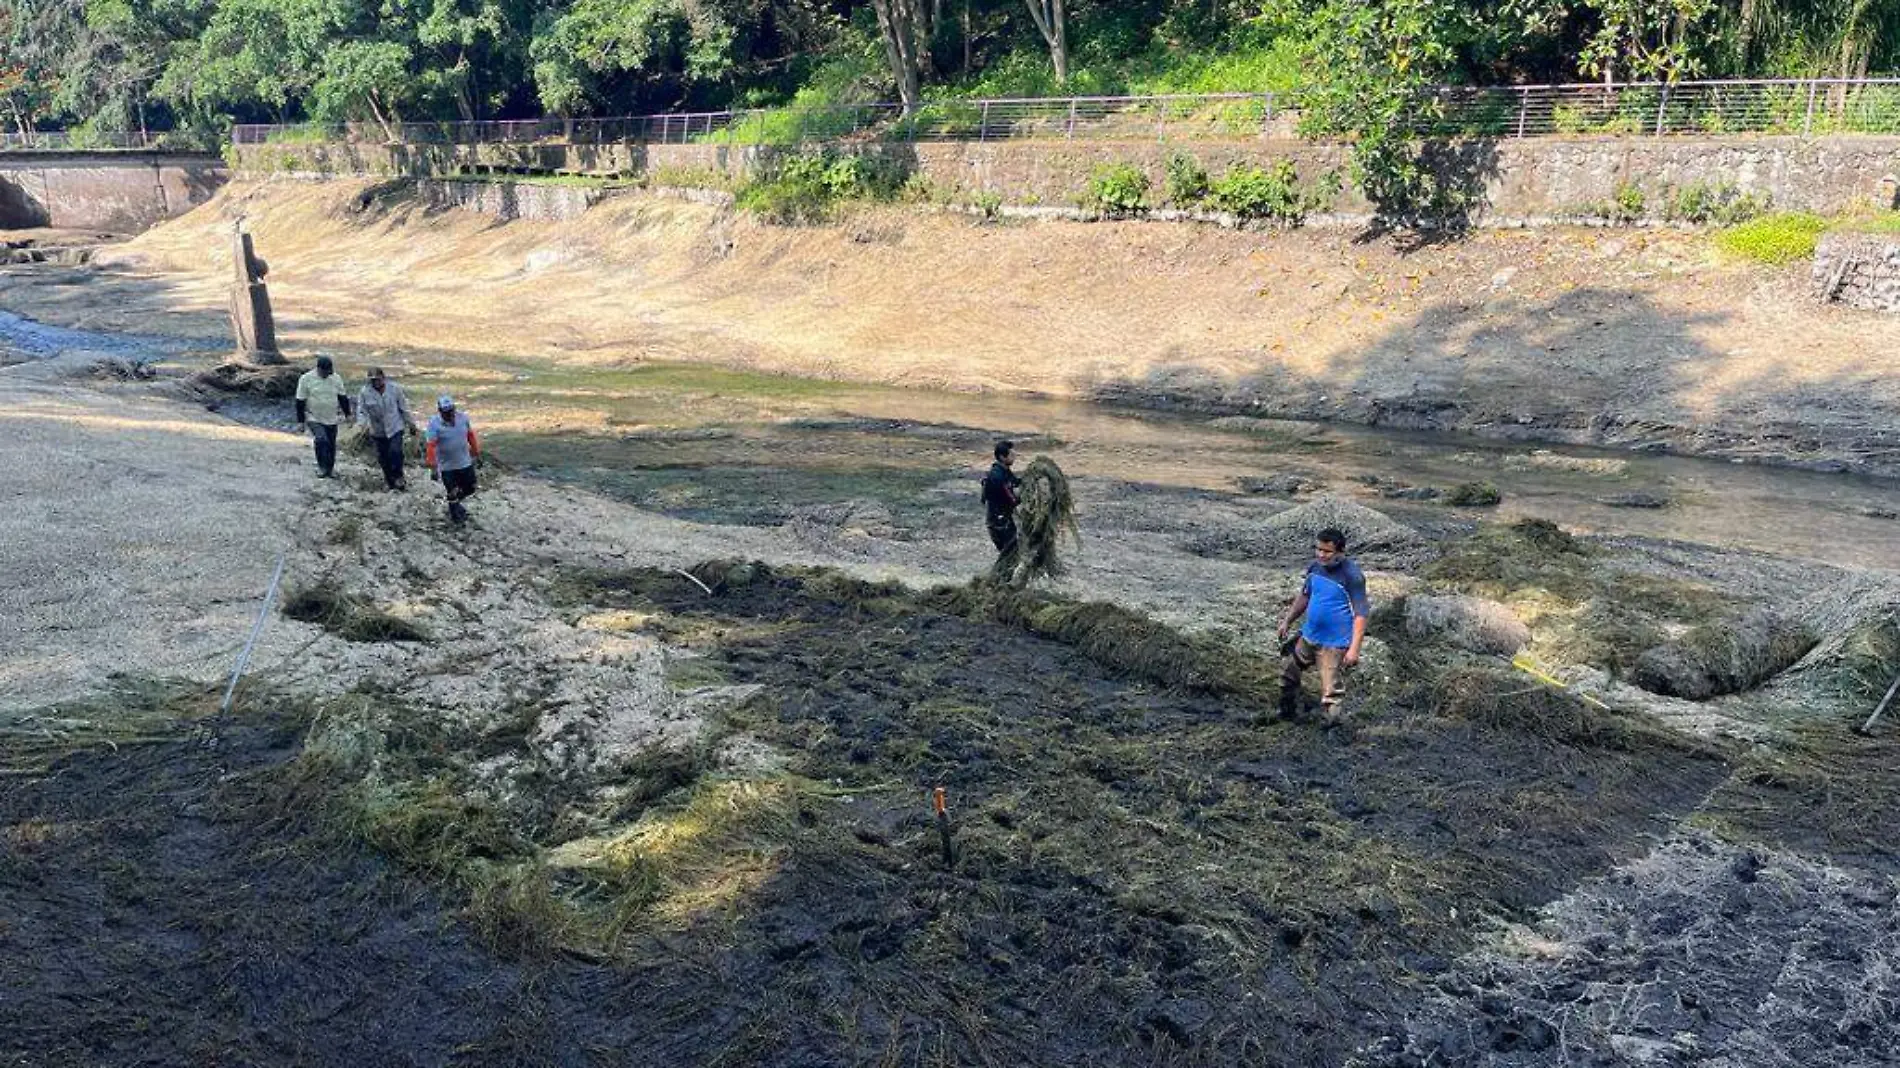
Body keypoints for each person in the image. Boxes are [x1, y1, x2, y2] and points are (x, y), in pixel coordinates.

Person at [1276, 527, 1369, 722]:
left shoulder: (1352, 576)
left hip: (1334, 645)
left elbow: (1361, 614)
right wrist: (1287, 621)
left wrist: (1354, 650)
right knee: (1288, 674)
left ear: (1341, 552)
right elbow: (1304, 596)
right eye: (1318, 549)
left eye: (1327, 551)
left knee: (1331, 693)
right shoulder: (1314, 568)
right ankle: (1287, 713)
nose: (1321, 555)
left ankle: (1330, 728)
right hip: (1308, 636)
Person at [355, 366, 418, 491]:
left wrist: (411, 423)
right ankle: (389, 481)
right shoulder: (364, 392)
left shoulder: (395, 389)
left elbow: (404, 407)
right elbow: (361, 411)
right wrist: (363, 425)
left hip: (395, 427)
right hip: (377, 430)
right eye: (372, 380)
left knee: (395, 452)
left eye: (377, 379)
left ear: (383, 378)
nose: (375, 383)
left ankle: (399, 477)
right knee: (383, 457)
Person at [424, 394, 481, 524]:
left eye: (451, 410)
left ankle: (456, 503)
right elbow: (431, 446)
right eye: (446, 412)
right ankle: (455, 516)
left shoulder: (463, 418)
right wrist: (433, 467)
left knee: (470, 487)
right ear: (440, 411)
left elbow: (470, 435)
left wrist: (476, 451)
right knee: (452, 491)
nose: (449, 414)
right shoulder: (434, 424)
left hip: (464, 461)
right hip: (447, 465)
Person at [293, 355, 352, 478]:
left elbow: (342, 398)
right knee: (321, 439)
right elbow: (300, 401)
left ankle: (329, 470)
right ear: (319, 369)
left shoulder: (336, 378)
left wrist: (348, 414)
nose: (327, 375)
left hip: (331, 417)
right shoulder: (306, 379)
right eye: (325, 372)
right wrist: (300, 422)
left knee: (331, 444)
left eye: (329, 372)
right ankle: (322, 467)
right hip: (313, 416)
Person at [981, 440, 1022, 568]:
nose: (1014, 458)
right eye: (1011, 455)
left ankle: (1001, 582)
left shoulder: (1004, 470)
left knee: (1011, 556)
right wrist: (1025, 496)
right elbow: (1013, 500)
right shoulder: (997, 477)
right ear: (1002, 457)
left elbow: (1016, 482)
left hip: (1003, 520)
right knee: (1010, 556)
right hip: (999, 524)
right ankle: (997, 582)